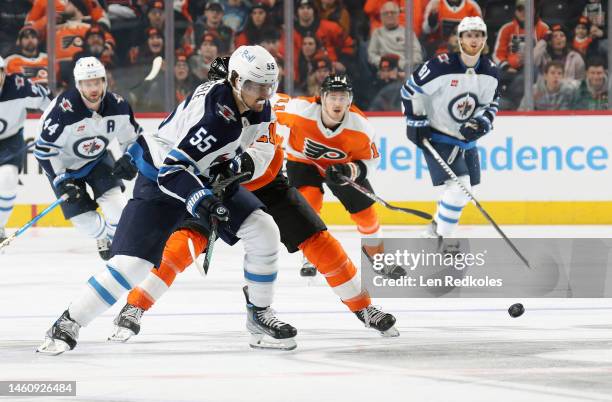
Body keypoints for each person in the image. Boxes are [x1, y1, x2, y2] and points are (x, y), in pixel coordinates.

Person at [108, 59, 399, 343]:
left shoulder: (265, 105)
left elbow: (262, 153)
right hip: (216, 187)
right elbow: (168, 141)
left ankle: (363, 307)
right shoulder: (206, 106)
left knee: (318, 239)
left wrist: (237, 165)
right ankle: (135, 305)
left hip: (267, 185)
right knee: (181, 247)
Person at [37, 46, 297, 355]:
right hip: (161, 178)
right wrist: (204, 201)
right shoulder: (216, 118)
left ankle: (259, 316)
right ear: (236, 80)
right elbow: (173, 172)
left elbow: (252, 150)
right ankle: (68, 322)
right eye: (255, 86)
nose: (263, 94)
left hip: (205, 174)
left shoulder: (257, 106)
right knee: (133, 265)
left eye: (269, 86)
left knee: (263, 229)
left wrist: (236, 165)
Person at [278, 73, 406, 279]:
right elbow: (268, 105)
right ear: (322, 97)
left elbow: (371, 160)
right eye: (333, 97)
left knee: (367, 216)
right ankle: (311, 255)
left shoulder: (361, 128)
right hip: (303, 162)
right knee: (308, 204)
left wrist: (350, 171)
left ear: (350, 100)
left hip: (341, 168)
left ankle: (377, 257)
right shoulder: (299, 110)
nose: (337, 103)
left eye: (343, 97)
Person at [400, 16, 500, 241]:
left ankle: (434, 228)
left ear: (484, 39)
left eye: (478, 35)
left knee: (463, 192)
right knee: (459, 189)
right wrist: (415, 120)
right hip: (438, 135)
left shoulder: (491, 71)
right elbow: (409, 90)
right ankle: (441, 238)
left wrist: (481, 122)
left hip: (465, 139)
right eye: (468, 35)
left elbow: (491, 103)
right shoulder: (440, 66)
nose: (473, 40)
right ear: (460, 39)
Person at [33, 57, 141, 260]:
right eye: (87, 83)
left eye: (97, 82)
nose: (93, 88)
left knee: (118, 208)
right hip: (63, 169)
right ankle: (108, 236)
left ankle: (122, 245)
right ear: (78, 84)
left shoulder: (118, 106)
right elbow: (44, 150)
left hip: (97, 160)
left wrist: (130, 158)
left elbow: (134, 140)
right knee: (85, 224)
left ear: (104, 81)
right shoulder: (63, 111)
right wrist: (61, 180)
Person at [0, 56, 52, 243]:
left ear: (4, 72)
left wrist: (58, 125)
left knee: (7, 178)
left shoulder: (19, 86)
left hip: (10, 141)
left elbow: (48, 104)